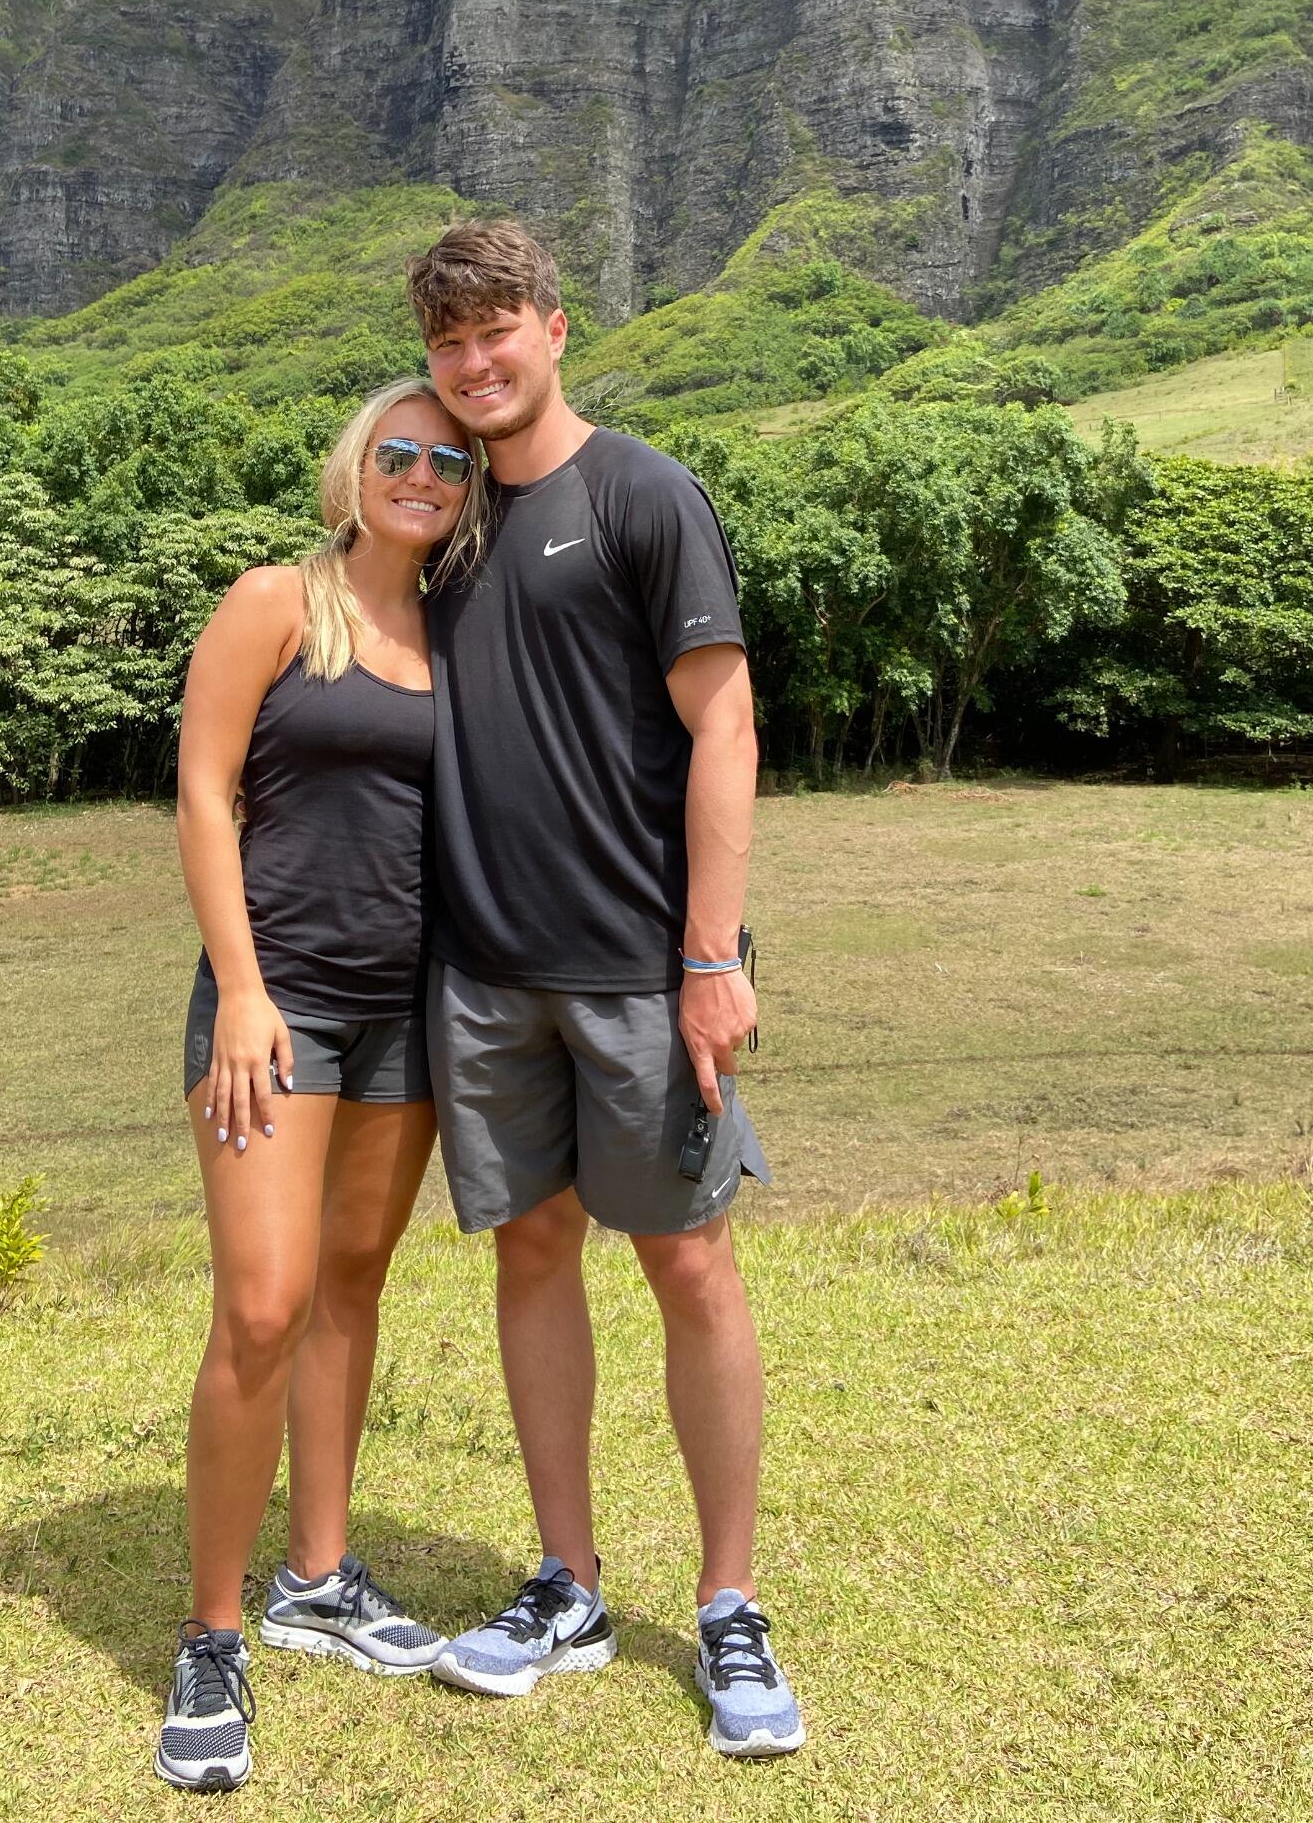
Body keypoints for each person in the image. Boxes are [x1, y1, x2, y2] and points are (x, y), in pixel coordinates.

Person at [406, 219, 805, 1759]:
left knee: (691, 1264)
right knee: (530, 1255)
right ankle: (566, 1581)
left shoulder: (641, 493)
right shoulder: (438, 520)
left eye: (498, 329)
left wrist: (714, 959)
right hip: (489, 975)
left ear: (555, 329)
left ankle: (728, 1605)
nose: (476, 362)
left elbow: (725, 728)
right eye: (448, 344)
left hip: (641, 969)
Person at [154, 378, 485, 1794]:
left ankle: (320, 1577)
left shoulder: (463, 632)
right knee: (263, 1303)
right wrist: (239, 988)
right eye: (398, 453)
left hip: (407, 1016)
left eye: (451, 462)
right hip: (275, 1014)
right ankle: (213, 1634)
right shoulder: (277, 603)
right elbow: (203, 792)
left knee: (352, 1279)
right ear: (355, 469)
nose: (423, 474)